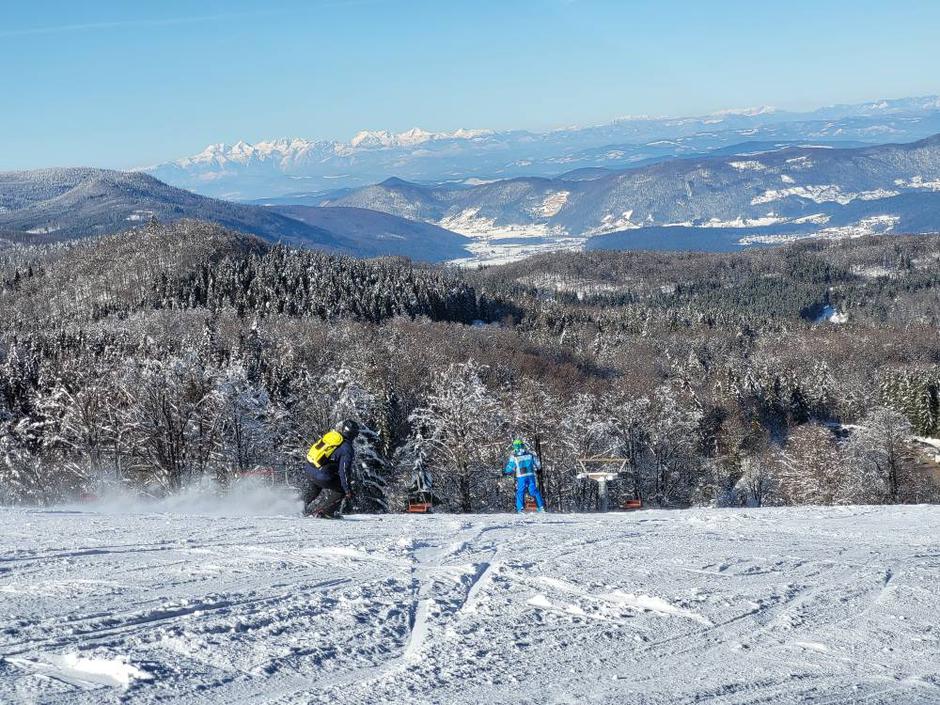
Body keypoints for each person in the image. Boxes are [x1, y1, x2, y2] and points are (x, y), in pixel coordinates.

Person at [303, 419, 358, 518]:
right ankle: (326, 513)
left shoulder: (333, 437)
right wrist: (347, 490)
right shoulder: (347, 448)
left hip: (309, 468)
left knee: (316, 486)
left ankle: (296, 506)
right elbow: (344, 471)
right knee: (340, 489)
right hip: (320, 474)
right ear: (354, 434)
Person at [503, 438, 545, 513]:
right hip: (530, 475)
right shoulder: (529, 454)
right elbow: (537, 462)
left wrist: (505, 472)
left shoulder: (514, 456)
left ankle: (521, 508)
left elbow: (510, 466)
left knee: (520, 492)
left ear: (515, 446)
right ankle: (541, 507)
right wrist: (539, 469)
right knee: (534, 491)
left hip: (521, 476)